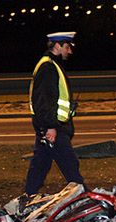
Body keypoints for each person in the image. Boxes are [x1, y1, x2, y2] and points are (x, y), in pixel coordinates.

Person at [24, 31, 85, 195]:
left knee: (40, 164)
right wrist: (51, 126)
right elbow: (44, 101)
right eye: (67, 47)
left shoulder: (51, 65)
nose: (70, 51)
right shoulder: (48, 67)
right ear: (57, 46)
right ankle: (84, 197)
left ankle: (28, 196)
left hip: (51, 126)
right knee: (70, 165)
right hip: (53, 128)